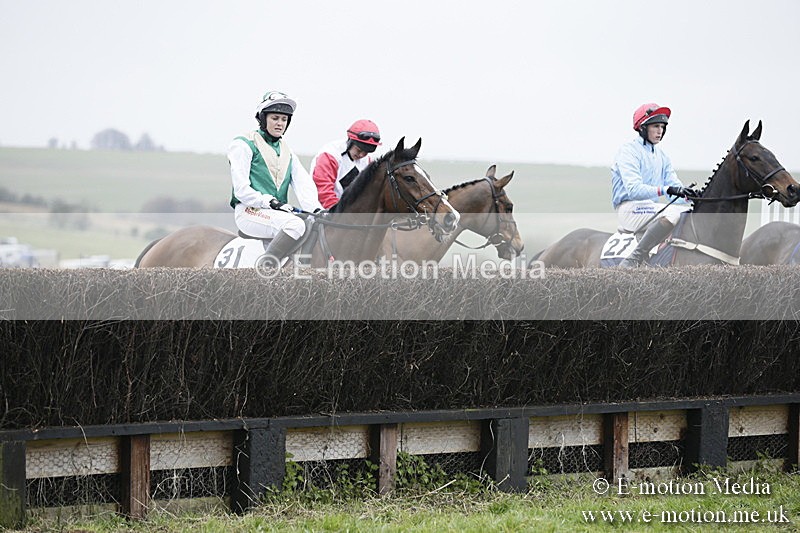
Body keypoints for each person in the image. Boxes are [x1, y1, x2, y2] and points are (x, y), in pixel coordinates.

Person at [228, 90, 323, 266]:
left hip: (276, 213)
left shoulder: (288, 151)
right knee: (295, 225)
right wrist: (269, 202)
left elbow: (303, 184)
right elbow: (241, 190)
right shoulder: (243, 144)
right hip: (249, 212)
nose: (280, 123)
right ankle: (266, 267)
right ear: (263, 119)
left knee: (313, 224)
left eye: (284, 119)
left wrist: (316, 210)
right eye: (275, 118)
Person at [611, 102, 697, 268]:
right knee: (672, 213)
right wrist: (666, 190)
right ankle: (634, 258)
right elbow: (634, 190)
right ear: (643, 128)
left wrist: (691, 196)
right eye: (656, 126)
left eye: (662, 127)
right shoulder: (628, 151)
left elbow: (674, 189)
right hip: (630, 209)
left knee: (687, 212)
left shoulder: (662, 156)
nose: (660, 131)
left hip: (650, 209)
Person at [309, 119, 382, 209]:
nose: (361, 155)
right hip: (321, 211)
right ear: (350, 142)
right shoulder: (330, 155)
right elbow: (323, 192)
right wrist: (340, 213)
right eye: (359, 150)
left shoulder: (367, 161)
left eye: (366, 152)